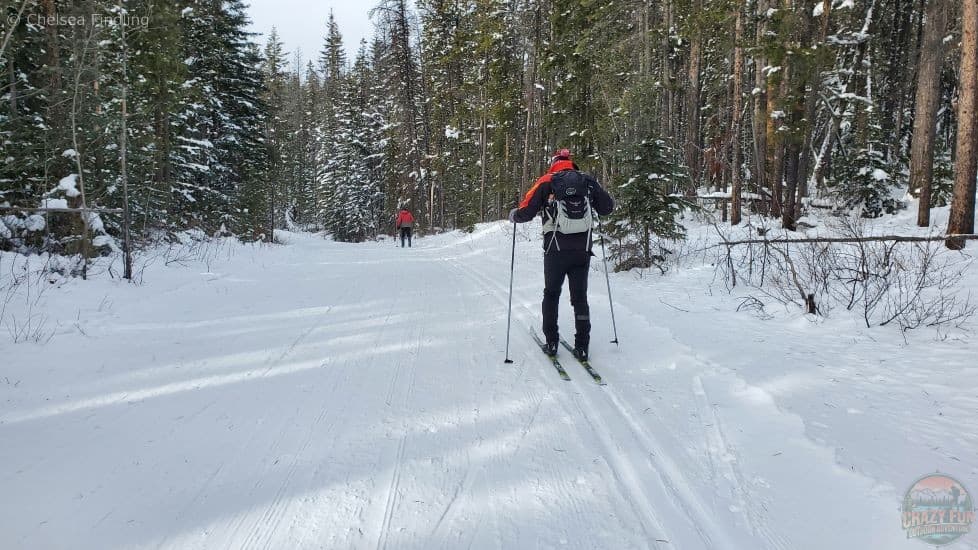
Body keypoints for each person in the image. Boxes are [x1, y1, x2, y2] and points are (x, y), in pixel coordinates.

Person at [509, 148, 614, 360]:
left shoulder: (547, 181)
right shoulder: (587, 180)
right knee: (580, 297)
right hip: (582, 251)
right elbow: (607, 207)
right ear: (570, 163)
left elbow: (527, 211)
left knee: (551, 294)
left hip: (555, 250)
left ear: (554, 163)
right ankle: (582, 346)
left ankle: (552, 342)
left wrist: (514, 216)